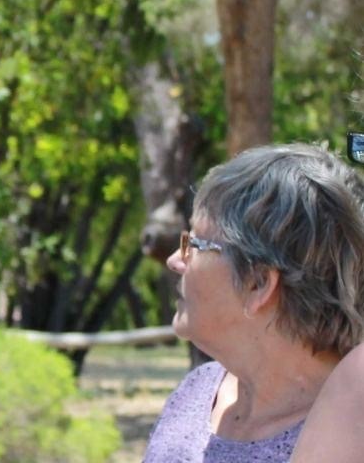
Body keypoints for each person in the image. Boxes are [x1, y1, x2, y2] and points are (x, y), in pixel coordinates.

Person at [142, 143, 364, 462]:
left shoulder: (349, 431)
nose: (175, 260)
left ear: (258, 283)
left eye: (194, 244)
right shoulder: (196, 391)